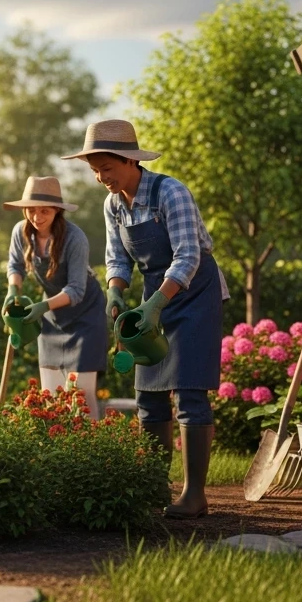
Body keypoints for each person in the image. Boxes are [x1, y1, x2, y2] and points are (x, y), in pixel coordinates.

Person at [63, 119, 229, 518]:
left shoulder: (170, 192)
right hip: (153, 292)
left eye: (107, 167)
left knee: (189, 391)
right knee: (148, 393)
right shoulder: (112, 203)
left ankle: (194, 495)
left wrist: (156, 305)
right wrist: (117, 290)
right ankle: (152, 487)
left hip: (194, 293)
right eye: (95, 170)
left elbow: (188, 255)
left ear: (129, 160)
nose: (101, 177)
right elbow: (118, 258)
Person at [1, 176, 107, 417]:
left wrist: (42, 306)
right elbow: (15, 266)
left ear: (58, 211)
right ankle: (58, 450)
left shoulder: (74, 238)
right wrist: (13, 291)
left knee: (81, 393)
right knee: (51, 392)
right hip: (52, 314)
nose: (37, 217)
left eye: (44, 211)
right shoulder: (21, 232)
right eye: (31, 210)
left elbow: (77, 290)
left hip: (86, 316)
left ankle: (89, 448)